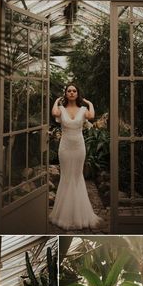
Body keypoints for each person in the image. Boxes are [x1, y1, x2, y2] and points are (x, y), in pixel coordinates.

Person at [49, 83, 103, 230]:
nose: (72, 93)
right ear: (65, 94)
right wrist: (56, 101)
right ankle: (63, 213)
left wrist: (89, 103)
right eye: (69, 91)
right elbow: (54, 113)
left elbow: (91, 116)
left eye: (74, 91)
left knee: (77, 176)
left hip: (79, 147)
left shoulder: (84, 109)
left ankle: (80, 213)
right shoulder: (61, 109)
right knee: (66, 177)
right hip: (65, 147)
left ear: (78, 94)